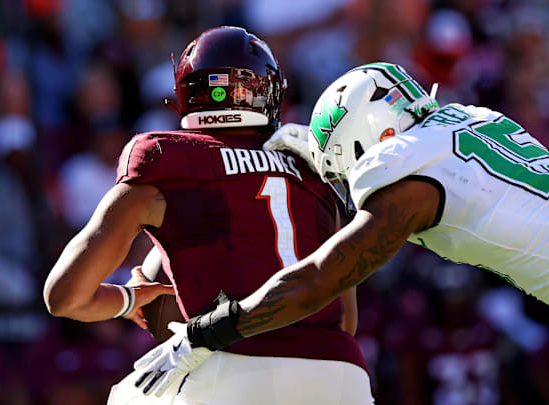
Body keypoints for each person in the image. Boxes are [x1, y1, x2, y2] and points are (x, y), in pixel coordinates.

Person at [135, 62, 549, 404]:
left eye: (343, 164)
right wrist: (294, 140)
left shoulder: (407, 179)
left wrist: (205, 333)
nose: (346, 180)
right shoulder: (465, 122)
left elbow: (316, 282)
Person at [43, 27, 373, 405]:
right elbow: (346, 321)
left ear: (186, 93)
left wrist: (129, 300)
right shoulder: (314, 170)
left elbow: (65, 296)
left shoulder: (164, 159)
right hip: (340, 375)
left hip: (231, 369)